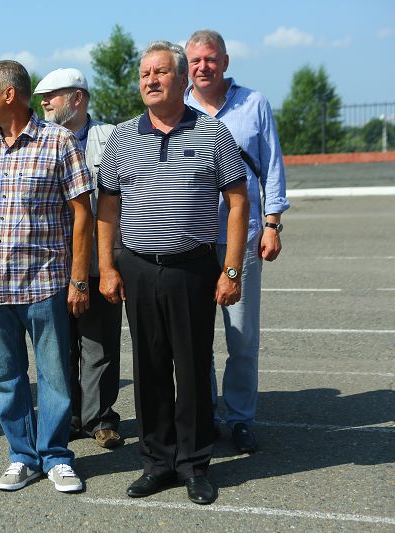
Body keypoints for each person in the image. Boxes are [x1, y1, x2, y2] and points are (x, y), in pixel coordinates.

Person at [97, 41, 249, 505]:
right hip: (139, 268)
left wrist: (231, 270)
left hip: (193, 270)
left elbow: (238, 202)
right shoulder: (122, 138)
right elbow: (107, 208)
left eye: (160, 72)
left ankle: (194, 465)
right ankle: (158, 462)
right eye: (145, 73)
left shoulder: (213, 133)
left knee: (193, 367)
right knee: (149, 368)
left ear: (182, 80)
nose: (150, 80)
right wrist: (106, 267)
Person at [0, 60, 93, 493]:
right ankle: (22, 456)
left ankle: (55, 457)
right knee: (5, 379)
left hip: (44, 284)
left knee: (54, 377)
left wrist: (78, 279)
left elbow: (83, 214)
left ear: (9, 94)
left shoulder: (59, 142)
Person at [185, 29, 289, 454]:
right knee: (196, 338)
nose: (203, 67)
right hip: (191, 242)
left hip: (242, 240)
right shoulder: (178, 108)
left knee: (242, 338)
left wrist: (272, 223)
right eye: (195, 60)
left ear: (225, 62)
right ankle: (206, 415)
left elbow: (272, 166)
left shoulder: (254, 104)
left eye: (210, 59)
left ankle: (241, 418)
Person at [33, 68, 123, 449]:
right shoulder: (39, 140)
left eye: (53, 95)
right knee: (59, 347)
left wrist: (113, 262)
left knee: (99, 343)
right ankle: (66, 418)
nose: (44, 102)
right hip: (54, 262)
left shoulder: (112, 138)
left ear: (78, 98)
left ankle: (100, 419)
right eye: (42, 96)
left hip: (100, 259)